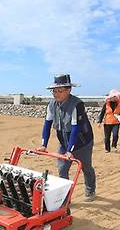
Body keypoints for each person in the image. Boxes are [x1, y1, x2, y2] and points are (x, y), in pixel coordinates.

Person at [38, 74, 96, 202]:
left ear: (69, 90)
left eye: (60, 91)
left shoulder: (77, 105)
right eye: (54, 91)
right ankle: (65, 198)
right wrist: (43, 144)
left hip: (82, 142)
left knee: (86, 167)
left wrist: (70, 150)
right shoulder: (52, 104)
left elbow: (76, 129)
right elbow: (47, 124)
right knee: (62, 169)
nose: (56, 94)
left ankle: (90, 190)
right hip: (64, 142)